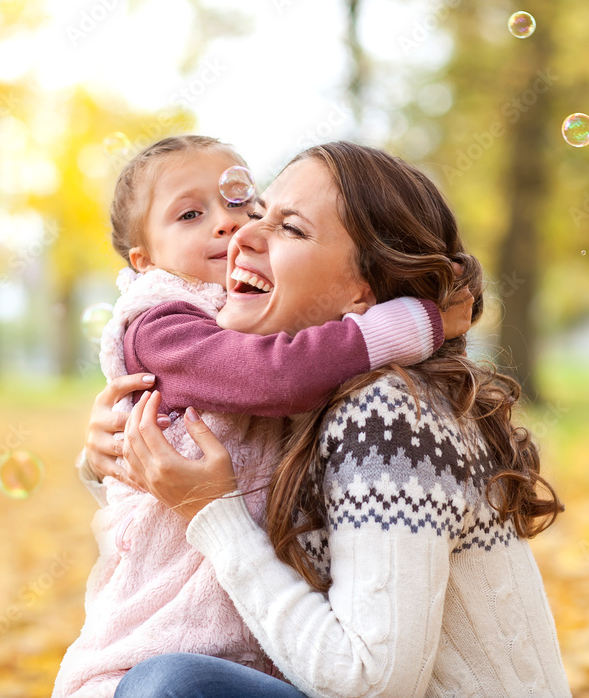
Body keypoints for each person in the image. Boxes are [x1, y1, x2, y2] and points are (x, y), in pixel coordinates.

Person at [111, 142, 571, 697]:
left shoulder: (390, 414)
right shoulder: (308, 399)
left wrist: (213, 513)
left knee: (171, 686)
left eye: (289, 228)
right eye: (260, 214)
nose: (240, 234)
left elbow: (371, 682)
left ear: (364, 292)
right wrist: (114, 453)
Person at [55, 136, 474, 697]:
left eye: (242, 206)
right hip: (150, 647)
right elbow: (275, 376)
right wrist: (412, 322)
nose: (231, 227)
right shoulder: (160, 323)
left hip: (259, 653)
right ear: (145, 261)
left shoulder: (381, 410)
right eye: (190, 214)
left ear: (362, 288)